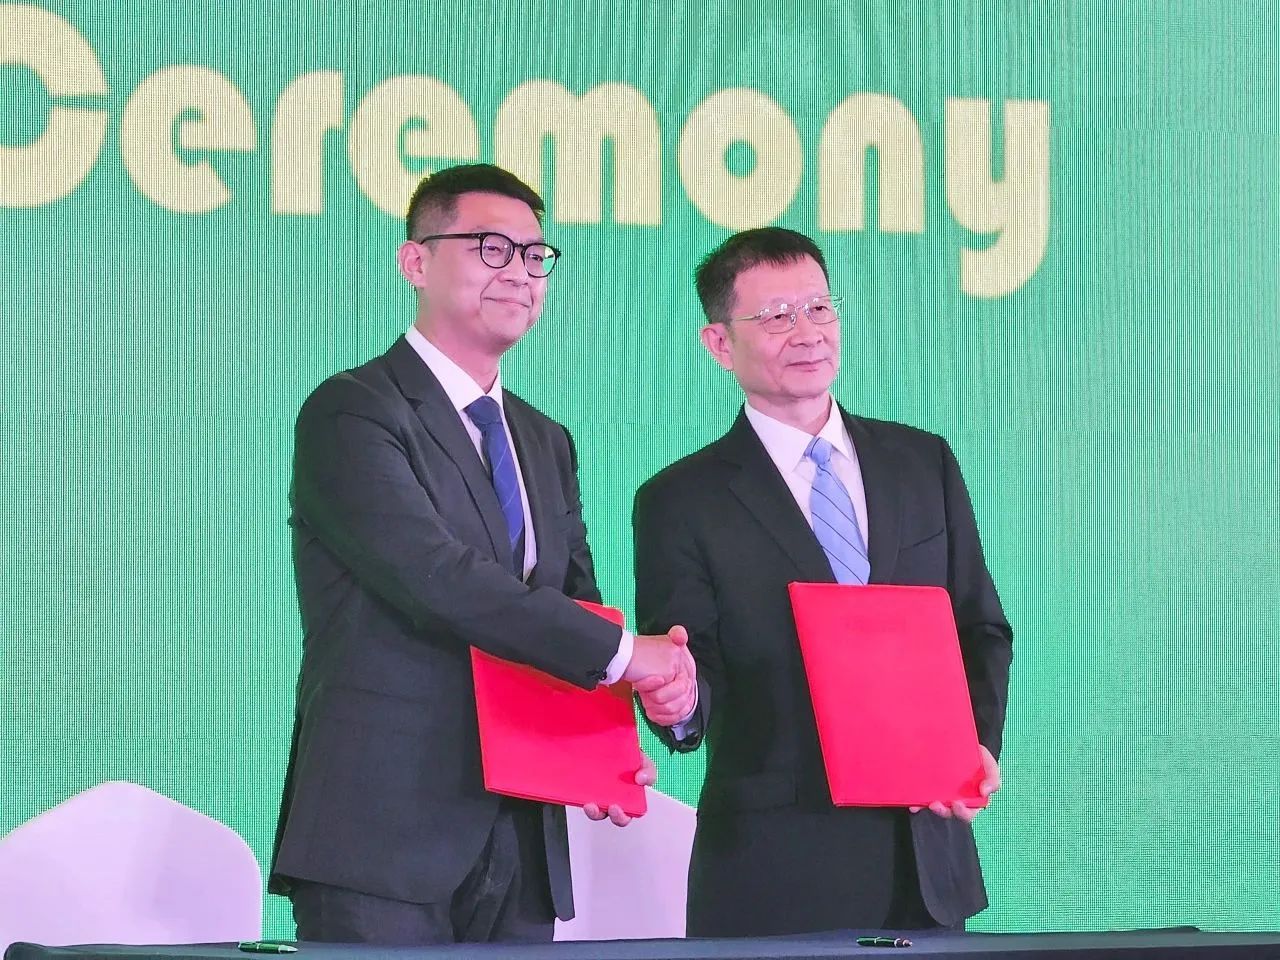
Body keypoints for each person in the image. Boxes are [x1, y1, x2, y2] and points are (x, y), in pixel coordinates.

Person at [269, 163, 694, 945]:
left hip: (523, 836)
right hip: (384, 837)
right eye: (491, 248)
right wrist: (627, 655)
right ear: (416, 261)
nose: (520, 273)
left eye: (536, 256)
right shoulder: (353, 411)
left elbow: (572, 609)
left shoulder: (545, 439)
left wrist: (613, 733)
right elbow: (436, 577)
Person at [632, 227, 1013, 937]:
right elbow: (690, 668)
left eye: (818, 308)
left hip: (926, 863)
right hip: (774, 869)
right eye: (776, 316)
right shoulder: (680, 499)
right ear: (719, 343)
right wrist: (676, 702)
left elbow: (980, 628)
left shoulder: (921, 462)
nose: (807, 333)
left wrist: (976, 746)